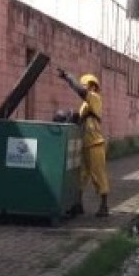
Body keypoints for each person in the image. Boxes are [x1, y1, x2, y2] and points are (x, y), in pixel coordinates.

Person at [58, 69, 110, 218]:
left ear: (92, 86)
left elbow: (80, 91)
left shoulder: (94, 98)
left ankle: (104, 206)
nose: (84, 88)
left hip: (95, 144)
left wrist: (69, 77)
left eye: (85, 85)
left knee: (98, 176)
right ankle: (78, 204)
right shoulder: (85, 104)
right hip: (85, 144)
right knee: (80, 176)